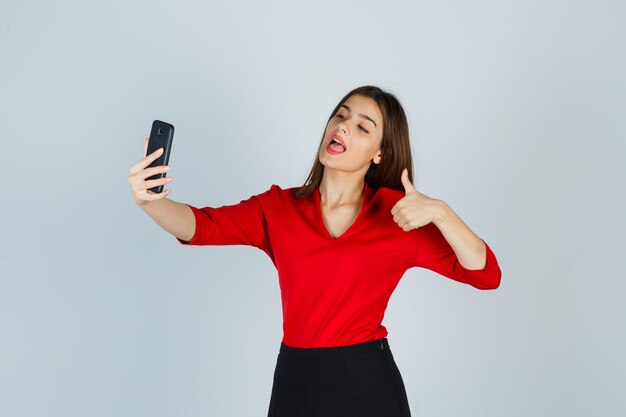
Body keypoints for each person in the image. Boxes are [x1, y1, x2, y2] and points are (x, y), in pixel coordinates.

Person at [128, 85, 502, 417]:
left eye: (362, 126)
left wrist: (441, 212)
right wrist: (151, 202)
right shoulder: (278, 208)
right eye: (341, 115)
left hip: (367, 382)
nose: (343, 126)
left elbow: (485, 273)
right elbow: (201, 225)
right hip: (295, 380)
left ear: (379, 153)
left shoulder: (398, 215)